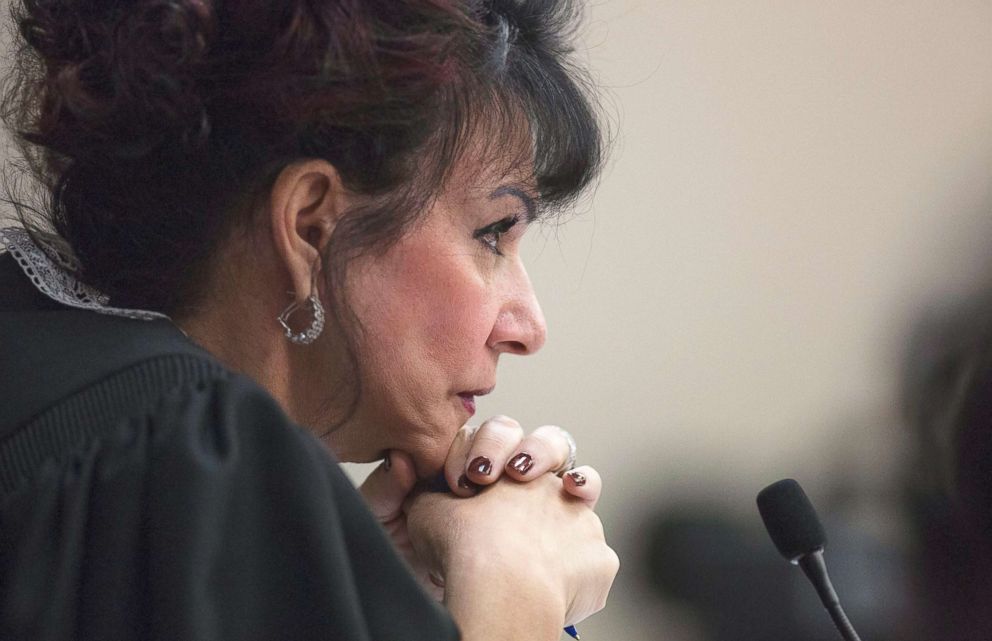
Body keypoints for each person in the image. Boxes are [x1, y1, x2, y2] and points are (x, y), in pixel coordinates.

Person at [0, 0, 619, 639]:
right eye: (493, 234)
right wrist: (515, 586)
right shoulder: (178, 464)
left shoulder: (62, 379)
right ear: (310, 226)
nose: (527, 327)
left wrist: (394, 597)